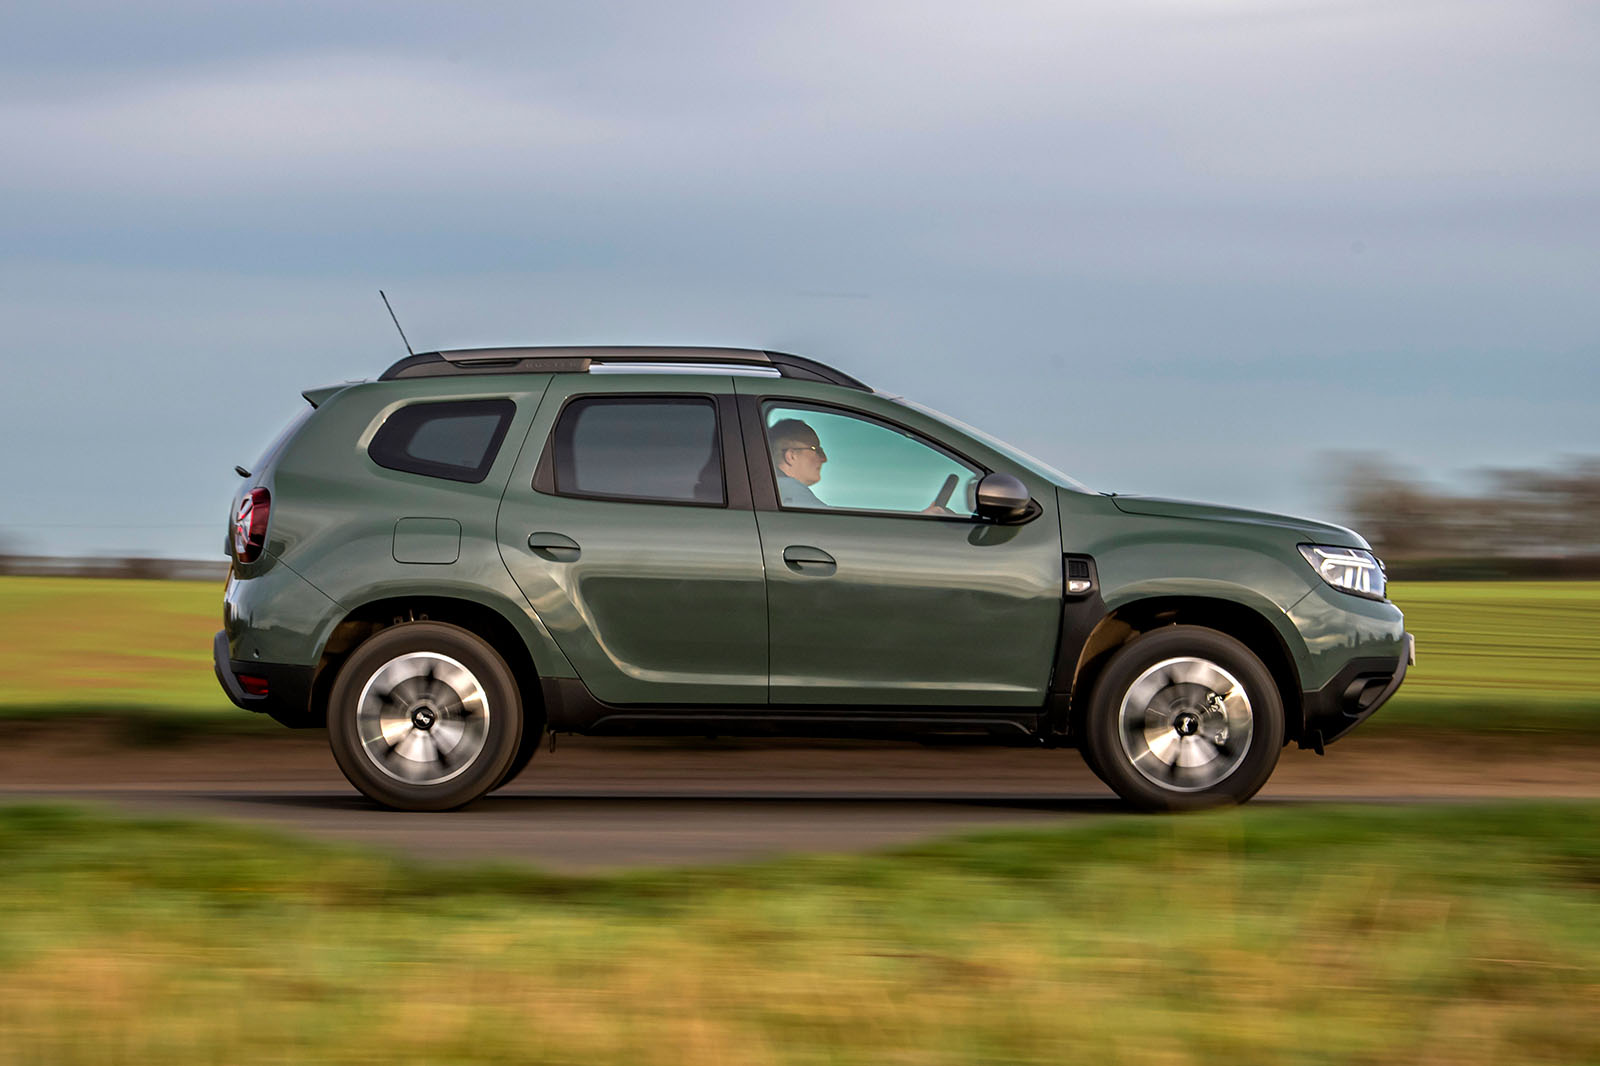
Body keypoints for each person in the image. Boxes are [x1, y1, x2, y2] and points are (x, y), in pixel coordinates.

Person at [768, 418, 829, 507]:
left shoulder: (773, 490)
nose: (824, 459)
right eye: (816, 450)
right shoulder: (791, 492)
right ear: (791, 456)